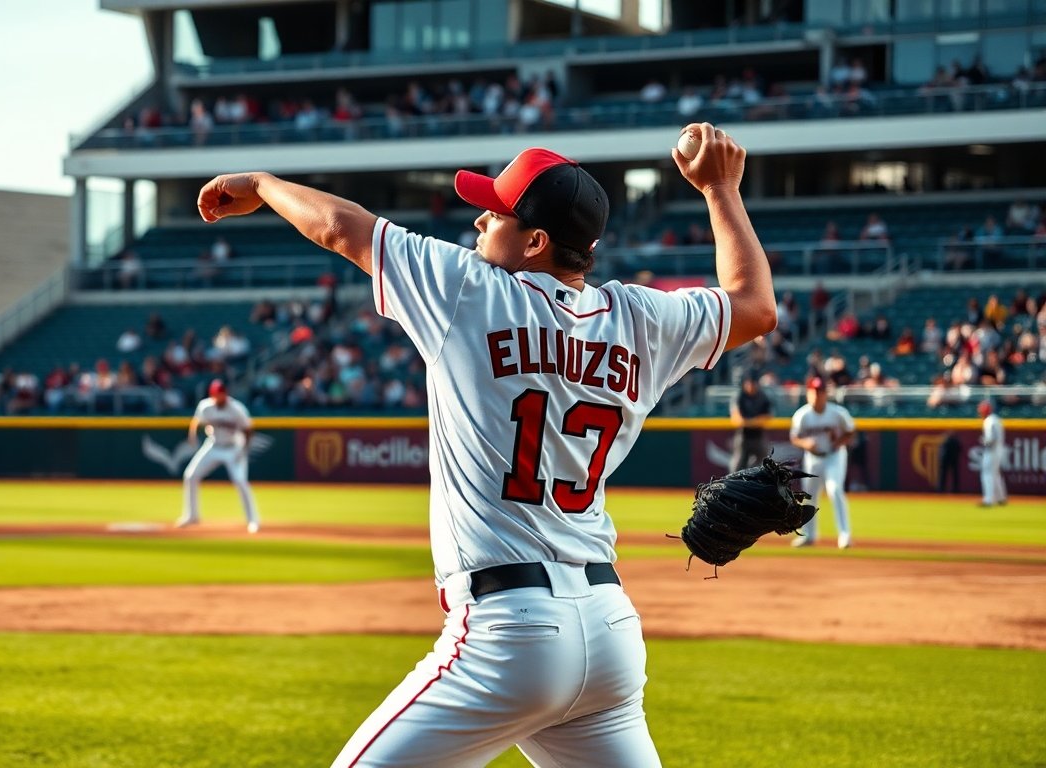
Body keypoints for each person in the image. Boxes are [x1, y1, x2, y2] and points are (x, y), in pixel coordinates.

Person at [196, 125, 778, 766]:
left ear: (534, 241)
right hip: (610, 631)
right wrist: (722, 189)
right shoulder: (642, 319)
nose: (478, 220)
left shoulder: (466, 289)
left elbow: (341, 227)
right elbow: (753, 306)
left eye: (496, 211)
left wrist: (263, 183)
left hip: (508, 634)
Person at [176, 379, 260, 533]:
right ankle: (192, 515)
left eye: (221, 394)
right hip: (213, 445)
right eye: (216, 394)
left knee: (240, 481)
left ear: (225, 394)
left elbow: (248, 429)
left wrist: (243, 450)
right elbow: (197, 421)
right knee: (190, 476)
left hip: (234, 447)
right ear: (212, 395)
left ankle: (253, 520)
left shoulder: (236, 409)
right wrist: (192, 434)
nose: (219, 397)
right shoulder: (206, 406)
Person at [789, 378, 856, 548]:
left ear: (825, 394)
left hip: (834, 456)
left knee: (835, 490)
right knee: (809, 496)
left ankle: (844, 535)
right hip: (813, 458)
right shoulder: (802, 414)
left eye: (820, 392)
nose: (816, 395)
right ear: (808, 393)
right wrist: (806, 444)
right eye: (813, 391)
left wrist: (837, 443)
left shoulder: (837, 412)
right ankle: (809, 535)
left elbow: (850, 432)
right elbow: (794, 437)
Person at [729, 374, 773, 472]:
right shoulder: (739, 396)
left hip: (758, 436)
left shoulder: (762, 396)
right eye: (748, 383)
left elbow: (768, 417)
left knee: (765, 463)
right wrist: (756, 421)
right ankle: (731, 484)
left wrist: (748, 422)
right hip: (743, 436)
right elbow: (737, 420)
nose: (751, 386)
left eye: (753, 383)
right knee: (738, 464)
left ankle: (752, 476)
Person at [977, 400, 1008, 507]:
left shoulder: (989, 421)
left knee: (987, 474)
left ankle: (989, 500)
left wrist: (984, 440)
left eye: (981, 410)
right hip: (999, 449)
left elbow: (991, 438)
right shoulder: (996, 419)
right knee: (995, 474)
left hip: (991, 450)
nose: (980, 413)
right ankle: (1001, 498)